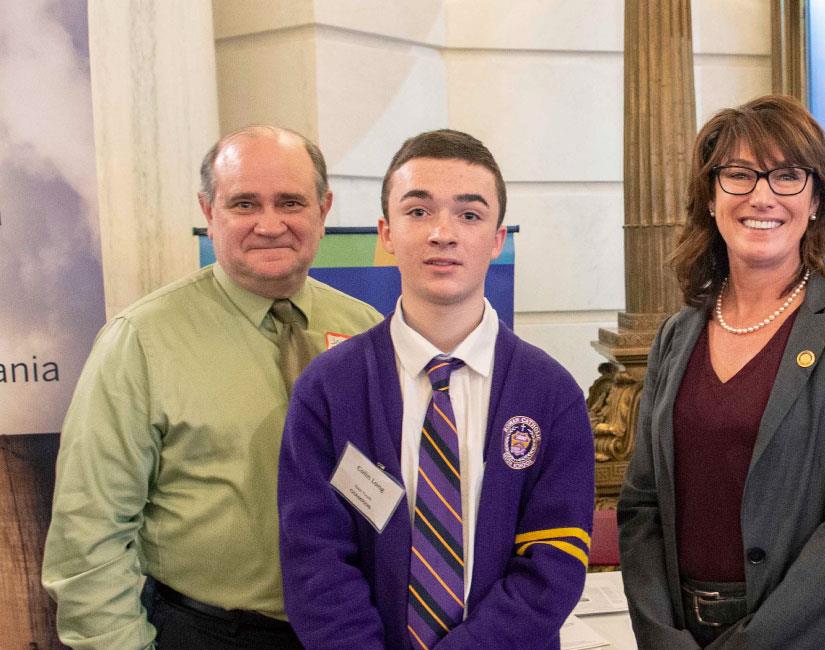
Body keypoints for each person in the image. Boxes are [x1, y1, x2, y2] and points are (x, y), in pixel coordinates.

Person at [42, 125, 383, 649]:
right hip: (208, 633)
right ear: (208, 211)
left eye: (290, 202)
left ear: (323, 209)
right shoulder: (142, 341)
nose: (270, 225)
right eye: (244, 203)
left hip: (351, 629)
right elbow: (89, 533)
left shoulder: (366, 330)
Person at [277, 129, 594, 649]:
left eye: (469, 215)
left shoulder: (551, 394)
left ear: (496, 239)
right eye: (418, 212)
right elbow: (315, 559)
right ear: (386, 232)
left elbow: (553, 564)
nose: (442, 233)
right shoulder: (328, 391)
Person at [618, 95, 825, 649]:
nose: (762, 195)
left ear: (818, 200)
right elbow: (641, 507)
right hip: (685, 635)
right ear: (709, 197)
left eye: (787, 176)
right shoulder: (675, 338)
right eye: (739, 174)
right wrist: (661, 637)